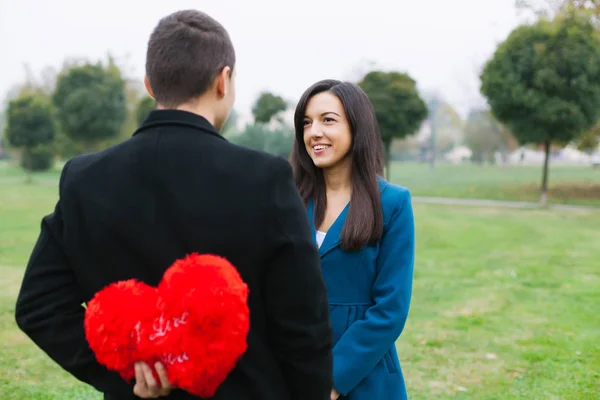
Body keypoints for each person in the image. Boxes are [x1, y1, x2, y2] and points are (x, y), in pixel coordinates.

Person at [14, 10, 333, 400]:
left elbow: (38, 306)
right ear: (224, 80)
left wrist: (128, 375)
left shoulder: (84, 178)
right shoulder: (265, 178)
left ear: (150, 84)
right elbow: (304, 328)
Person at [290, 79, 416, 400]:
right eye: (306, 122)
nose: (313, 131)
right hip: (294, 370)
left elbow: (391, 309)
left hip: (365, 377)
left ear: (357, 127)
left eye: (327, 120)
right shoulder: (288, 200)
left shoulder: (393, 203)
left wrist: (332, 381)